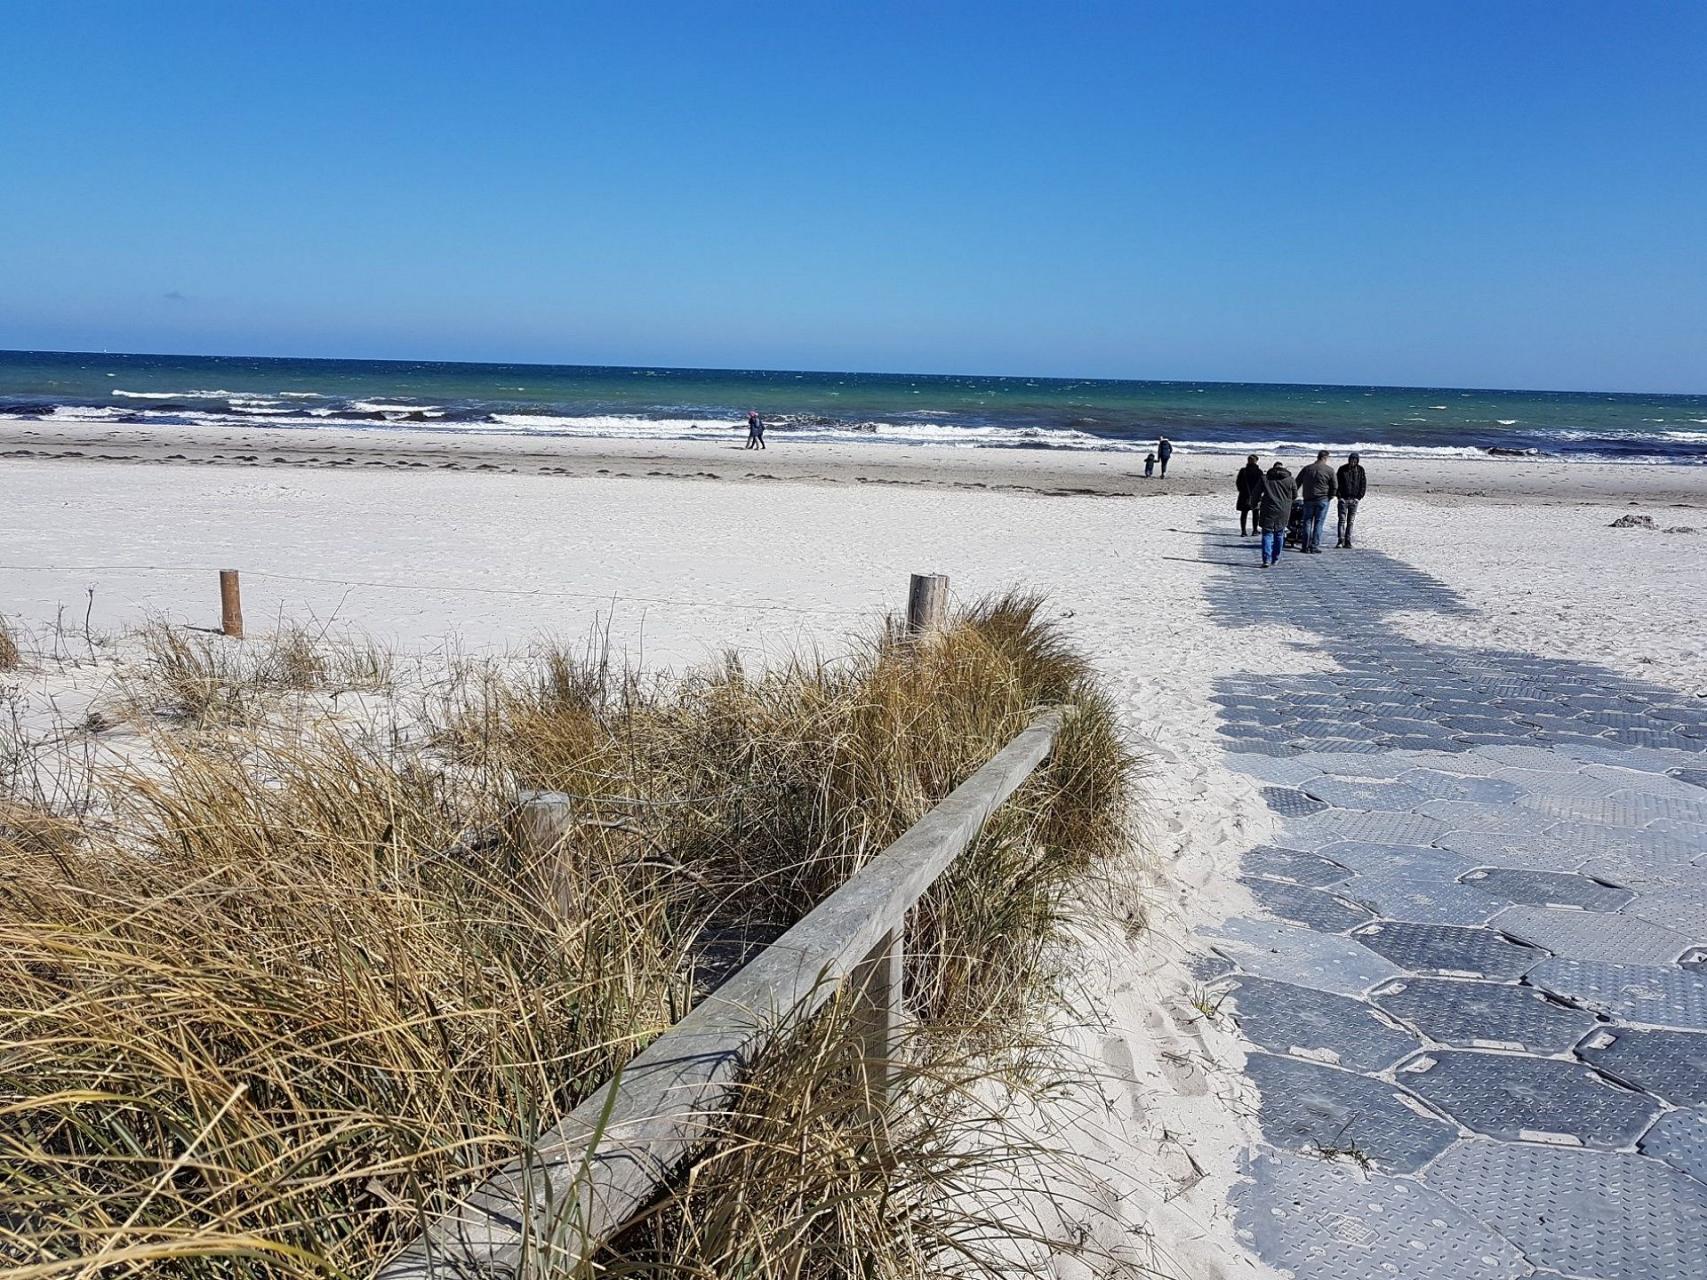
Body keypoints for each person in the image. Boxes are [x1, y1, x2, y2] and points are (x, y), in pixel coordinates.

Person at [1296, 450, 1337, 553]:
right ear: (1325, 458)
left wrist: (1293, 495)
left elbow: (1297, 482)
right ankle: (1314, 546)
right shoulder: (1329, 470)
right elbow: (1335, 486)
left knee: (1307, 522)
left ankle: (1305, 546)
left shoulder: (1307, 469)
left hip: (1308, 499)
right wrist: (1330, 496)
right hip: (1322, 499)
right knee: (1319, 523)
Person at [1258, 460, 1296, 568]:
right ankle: (1275, 558)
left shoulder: (1265, 478)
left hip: (1268, 509)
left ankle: (1266, 559)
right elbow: (1294, 495)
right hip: (1283, 510)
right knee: (1279, 533)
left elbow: (1256, 493)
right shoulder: (1290, 480)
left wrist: (1254, 504)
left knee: (1267, 533)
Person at [1336, 451, 1367, 547]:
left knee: (1350, 521)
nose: (1353, 462)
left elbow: (1363, 484)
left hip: (1354, 499)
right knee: (1342, 520)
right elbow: (1336, 483)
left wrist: (1359, 497)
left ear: (1357, 461)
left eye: (1355, 460)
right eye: (1351, 460)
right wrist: (1339, 497)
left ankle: (1348, 541)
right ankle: (1340, 540)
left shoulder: (1360, 470)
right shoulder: (1342, 469)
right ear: (1349, 460)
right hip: (1343, 499)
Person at [1235, 454, 1264, 536]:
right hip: (1256, 495)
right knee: (1255, 513)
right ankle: (1254, 530)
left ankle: (1243, 531)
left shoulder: (1243, 471)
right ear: (1256, 461)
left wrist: (1242, 491)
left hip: (1244, 495)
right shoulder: (1259, 472)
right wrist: (1260, 493)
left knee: (1244, 513)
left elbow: (1238, 483)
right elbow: (1262, 484)